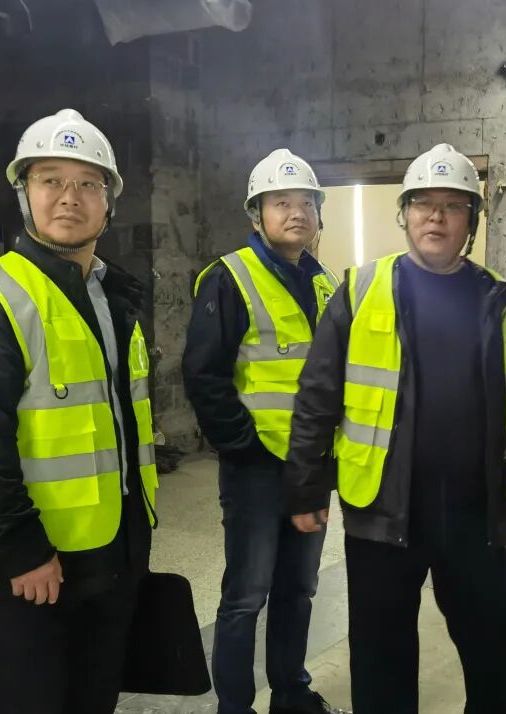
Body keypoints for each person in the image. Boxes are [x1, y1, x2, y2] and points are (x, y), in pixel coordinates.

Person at [283, 143, 506, 714]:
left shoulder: (502, 299)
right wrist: (305, 487)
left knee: (494, 647)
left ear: (472, 221)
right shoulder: (360, 290)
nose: (437, 217)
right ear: (403, 214)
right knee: (381, 657)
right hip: (384, 509)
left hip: (476, 511)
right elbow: (317, 396)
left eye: (453, 206)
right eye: (424, 204)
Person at [0, 108, 158, 713]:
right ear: (24, 193)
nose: (69, 197)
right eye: (50, 179)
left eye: (88, 183)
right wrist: (21, 549)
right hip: (24, 569)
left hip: (107, 557)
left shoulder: (113, 298)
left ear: (109, 202)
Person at [182, 149, 346, 714]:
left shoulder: (324, 282)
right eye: (281, 203)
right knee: (246, 595)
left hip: (312, 468)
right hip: (256, 470)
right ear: (257, 214)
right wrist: (243, 448)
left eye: (306, 203)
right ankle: (235, 706)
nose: (297, 212)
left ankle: (291, 693)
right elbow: (204, 376)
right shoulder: (229, 278)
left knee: (299, 589)